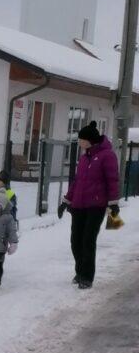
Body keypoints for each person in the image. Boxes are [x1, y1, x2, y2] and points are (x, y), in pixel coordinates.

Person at [60, 121, 121, 289]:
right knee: (75, 241)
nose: (79, 142)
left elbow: (113, 181)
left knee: (88, 240)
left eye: (81, 139)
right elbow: (77, 181)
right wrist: (66, 201)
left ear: (89, 140)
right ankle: (79, 271)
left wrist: (113, 203)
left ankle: (87, 276)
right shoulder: (84, 157)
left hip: (96, 206)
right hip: (79, 205)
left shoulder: (107, 155)